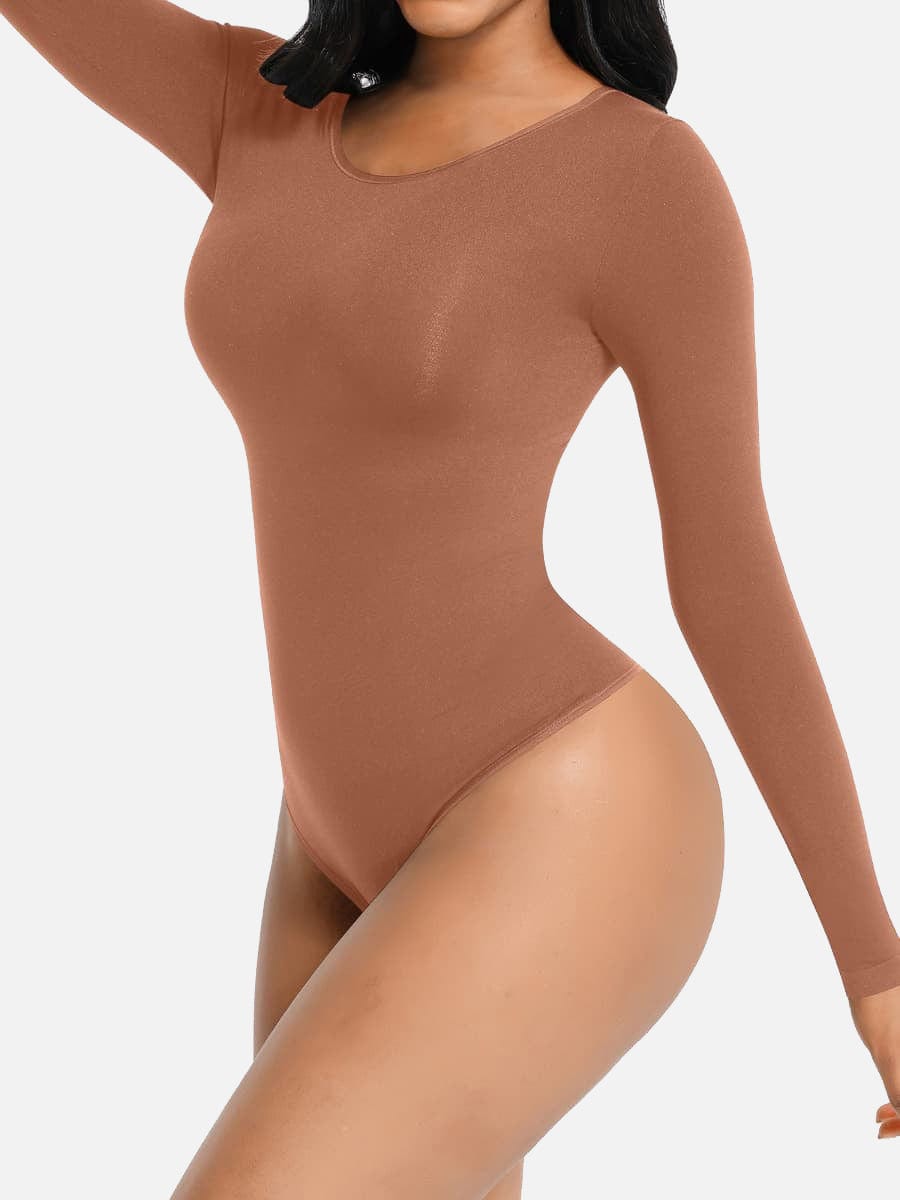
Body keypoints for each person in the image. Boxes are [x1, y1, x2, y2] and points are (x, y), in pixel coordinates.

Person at [3, 0, 899, 1194]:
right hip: (324, 834)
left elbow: (726, 570)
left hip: (563, 807)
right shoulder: (262, 112)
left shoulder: (640, 175)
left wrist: (876, 969)